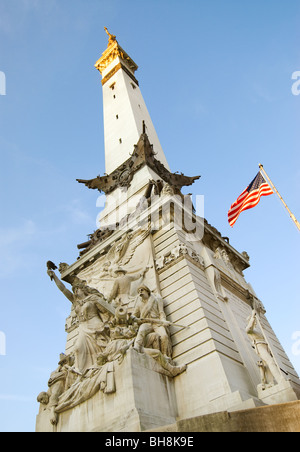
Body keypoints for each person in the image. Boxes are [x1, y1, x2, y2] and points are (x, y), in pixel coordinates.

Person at [47, 269, 113, 374]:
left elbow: (108, 310)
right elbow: (63, 289)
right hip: (84, 327)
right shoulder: (76, 302)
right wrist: (54, 277)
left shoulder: (93, 298)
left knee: (100, 346)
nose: (75, 291)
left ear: (83, 289)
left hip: (95, 324)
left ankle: (101, 363)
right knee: (78, 347)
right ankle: (82, 372)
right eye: (74, 290)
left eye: (77, 289)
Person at [246, 310, 284, 387]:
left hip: (265, 346)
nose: (255, 321)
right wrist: (253, 316)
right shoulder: (250, 330)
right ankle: (280, 379)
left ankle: (271, 382)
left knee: (268, 364)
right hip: (259, 346)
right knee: (270, 361)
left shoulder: (258, 331)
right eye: (253, 320)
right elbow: (249, 329)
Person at [131, 285, 172, 357]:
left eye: (142, 290)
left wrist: (163, 320)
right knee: (141, 331)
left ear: (147, 291)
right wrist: (134, 319)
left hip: (157, 322)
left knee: (164, 336)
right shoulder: (139, 304)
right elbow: (133, 315)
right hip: (146, 323)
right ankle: (136, 348)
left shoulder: (156, 299)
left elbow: (161, 312)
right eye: (139, 291)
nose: (140, 292)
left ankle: (164, 354)